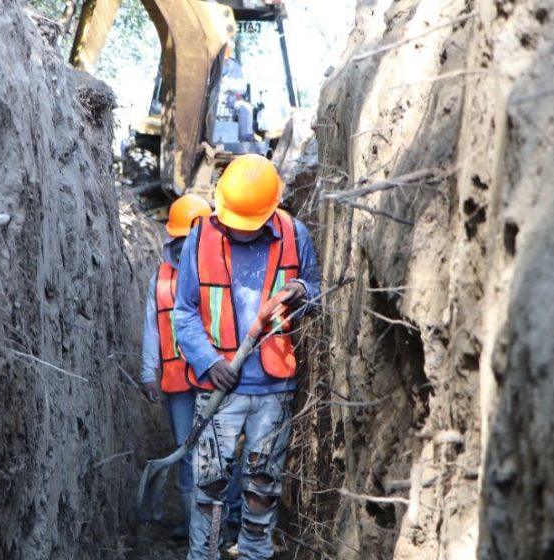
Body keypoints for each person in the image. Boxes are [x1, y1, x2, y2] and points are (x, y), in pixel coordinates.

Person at [173, 154, 321, 559]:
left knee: (262, 488)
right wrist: (208, 361)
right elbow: (183, 311)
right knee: (210, 491)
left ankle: (254, 554)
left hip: (274, 389)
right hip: (218, 389)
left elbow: (316, 292)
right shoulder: (200, 237)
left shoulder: (295, 234)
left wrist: (303, 294)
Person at [140, 194, 214, 539]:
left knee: (214, 454)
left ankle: (219, 526)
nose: (187, 249)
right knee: (187, 453)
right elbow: (152, 329)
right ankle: (193, 526)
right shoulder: (160, 281)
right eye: (182, 242)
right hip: (176, 384)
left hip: (214, 379)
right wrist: (147, 374)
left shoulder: (220, 274)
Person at [221, 44, 256, 142]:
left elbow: (241, 87)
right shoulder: (212, 65)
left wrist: (228, 83)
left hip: (231, 100)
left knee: (246, 108)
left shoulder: (234, 66)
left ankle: (246, 137)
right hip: (215, 101)